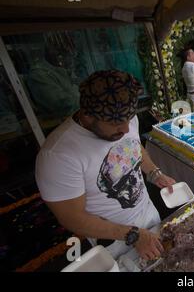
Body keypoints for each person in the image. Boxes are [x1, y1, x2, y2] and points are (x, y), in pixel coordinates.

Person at [35, 70, 177, 261]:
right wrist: (133, 235)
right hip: (115, 241)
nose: (126, 128)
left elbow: (134, 148)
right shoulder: (58, 155)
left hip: (149, 216)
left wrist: (154, 173)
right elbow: (72, 218)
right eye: (117, 123)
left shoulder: (124, 118)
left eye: (129, 119)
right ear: (87, 116)